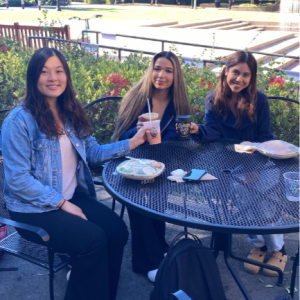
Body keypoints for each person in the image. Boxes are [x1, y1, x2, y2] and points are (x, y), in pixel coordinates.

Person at [1, 47, 150, 300]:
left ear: (66, 77)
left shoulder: (70, 112)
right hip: (33, 209)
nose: (52, 78)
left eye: (59, 71)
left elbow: (92, 152)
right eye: (44, 72)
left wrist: (133, 142)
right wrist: (61, 203)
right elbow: (18, 180)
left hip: (69, 198)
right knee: (93, 241)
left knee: (117, 232)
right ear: (33, 77)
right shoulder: (18, 122)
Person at [190, 50, 287, 277]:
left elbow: (264, 136)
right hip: (230, 162)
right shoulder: (213, 98)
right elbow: (213, 131)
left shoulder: (259, 100)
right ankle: (258, 244)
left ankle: (278, 248)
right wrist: (197, 130)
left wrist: (255, 167)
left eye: (246, 75)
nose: (239, 79)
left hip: (260, 159)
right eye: (236, 72)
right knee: (238, 185)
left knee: (264, 188)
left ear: (251, 78)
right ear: (226, 71)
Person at [112, 51, 190, 282]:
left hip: (161, 163)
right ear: (150, 70)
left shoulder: (178, 104)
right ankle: (146, 262)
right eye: (157, 68)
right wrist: (137, 131)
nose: (161, 75)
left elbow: (181, 140)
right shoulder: (137, 97)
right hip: (131, 163)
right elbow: (118, 140)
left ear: (175, 76)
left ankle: (158, 246)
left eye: (168, 70)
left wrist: (178, 136)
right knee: (140, 195)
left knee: (159, 192)